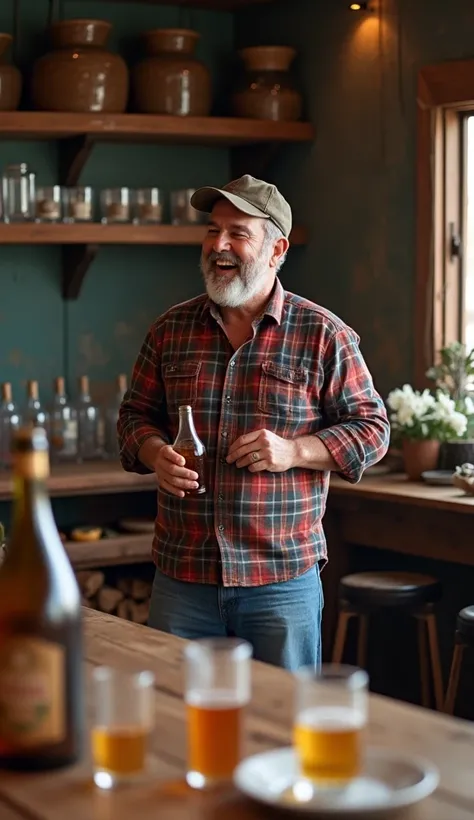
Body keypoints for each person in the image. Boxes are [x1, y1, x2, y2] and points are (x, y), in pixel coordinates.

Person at [117, 174, 390, 671]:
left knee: (284, 730)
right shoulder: (170, 329)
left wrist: (294, 451)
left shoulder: (323, 334)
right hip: (183, 578)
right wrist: (154, 452)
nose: (218, 245)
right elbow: (133, 418)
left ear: (276, 248)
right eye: (212, 230)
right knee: (179, 727)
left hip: (281, 583)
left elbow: (372, 430)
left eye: (237, 233)